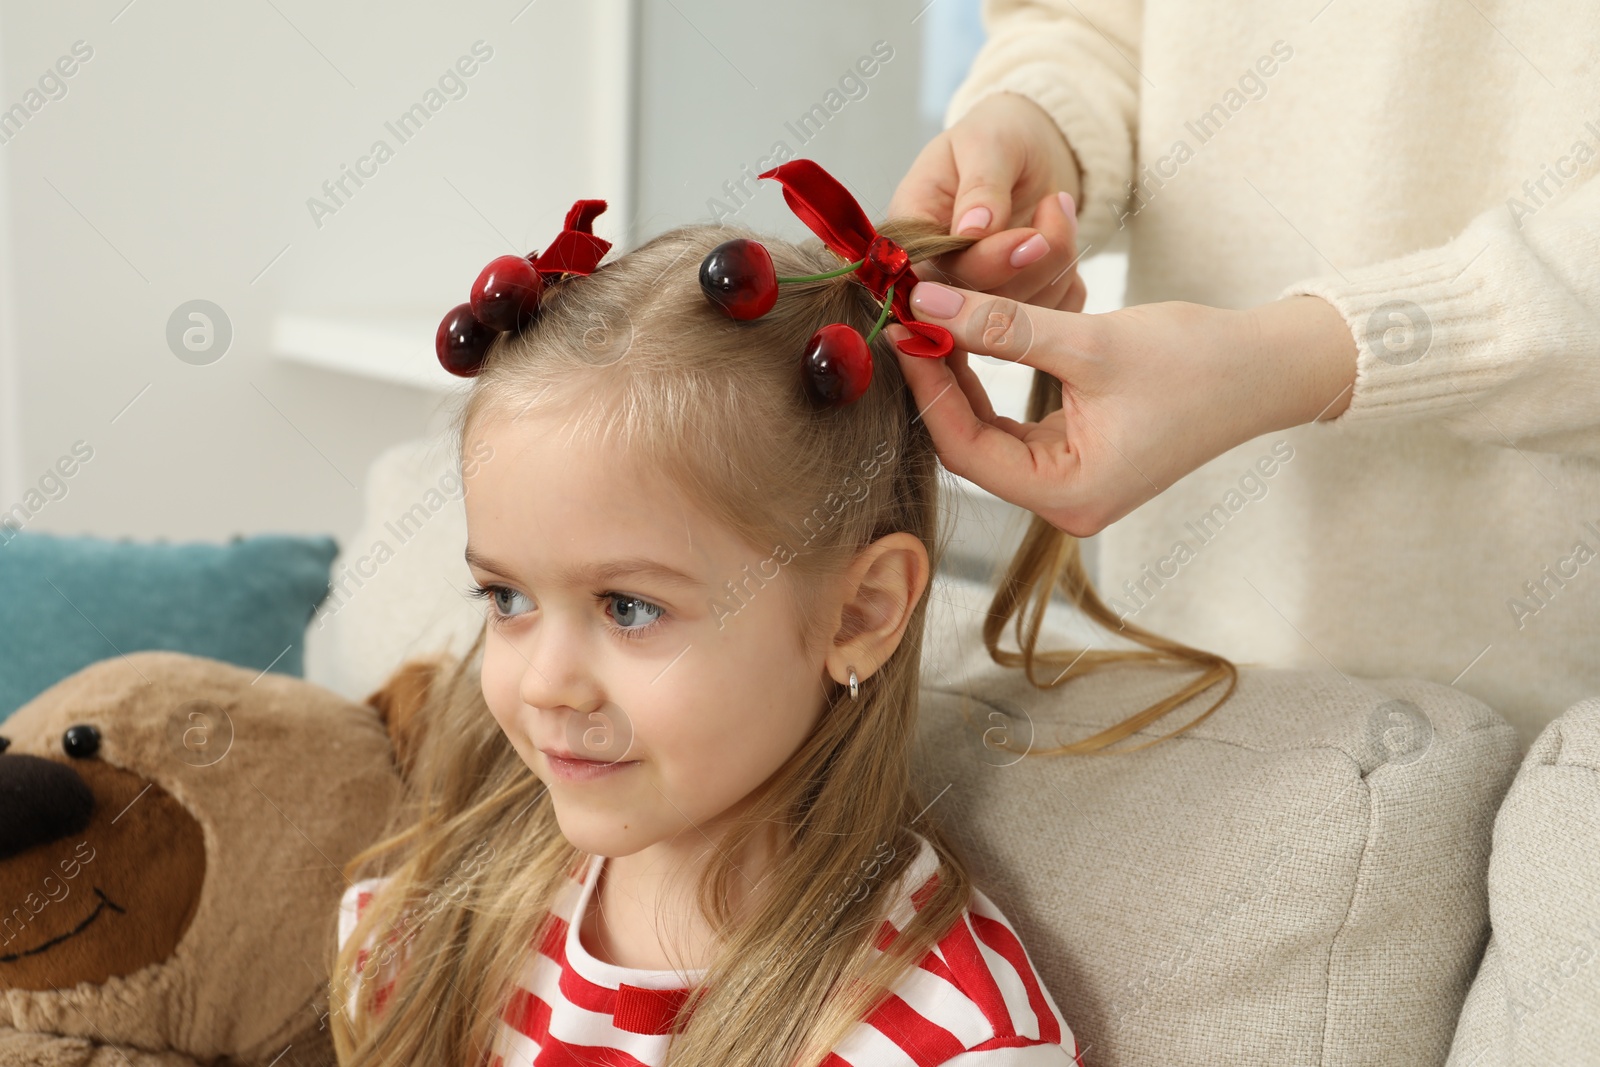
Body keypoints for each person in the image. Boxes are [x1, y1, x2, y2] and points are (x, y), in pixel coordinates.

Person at [325, 182, 1123, 1064]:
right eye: (507, 598)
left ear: (860, 612)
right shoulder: (446, 928)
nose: (544, 680)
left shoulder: (941, 1041)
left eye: (629, 608)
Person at [886, 3, 1600, 747]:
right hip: (1191, 673)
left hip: (1552, 726)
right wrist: (1039, 123)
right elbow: (1088, 25)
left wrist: (1298, 358)